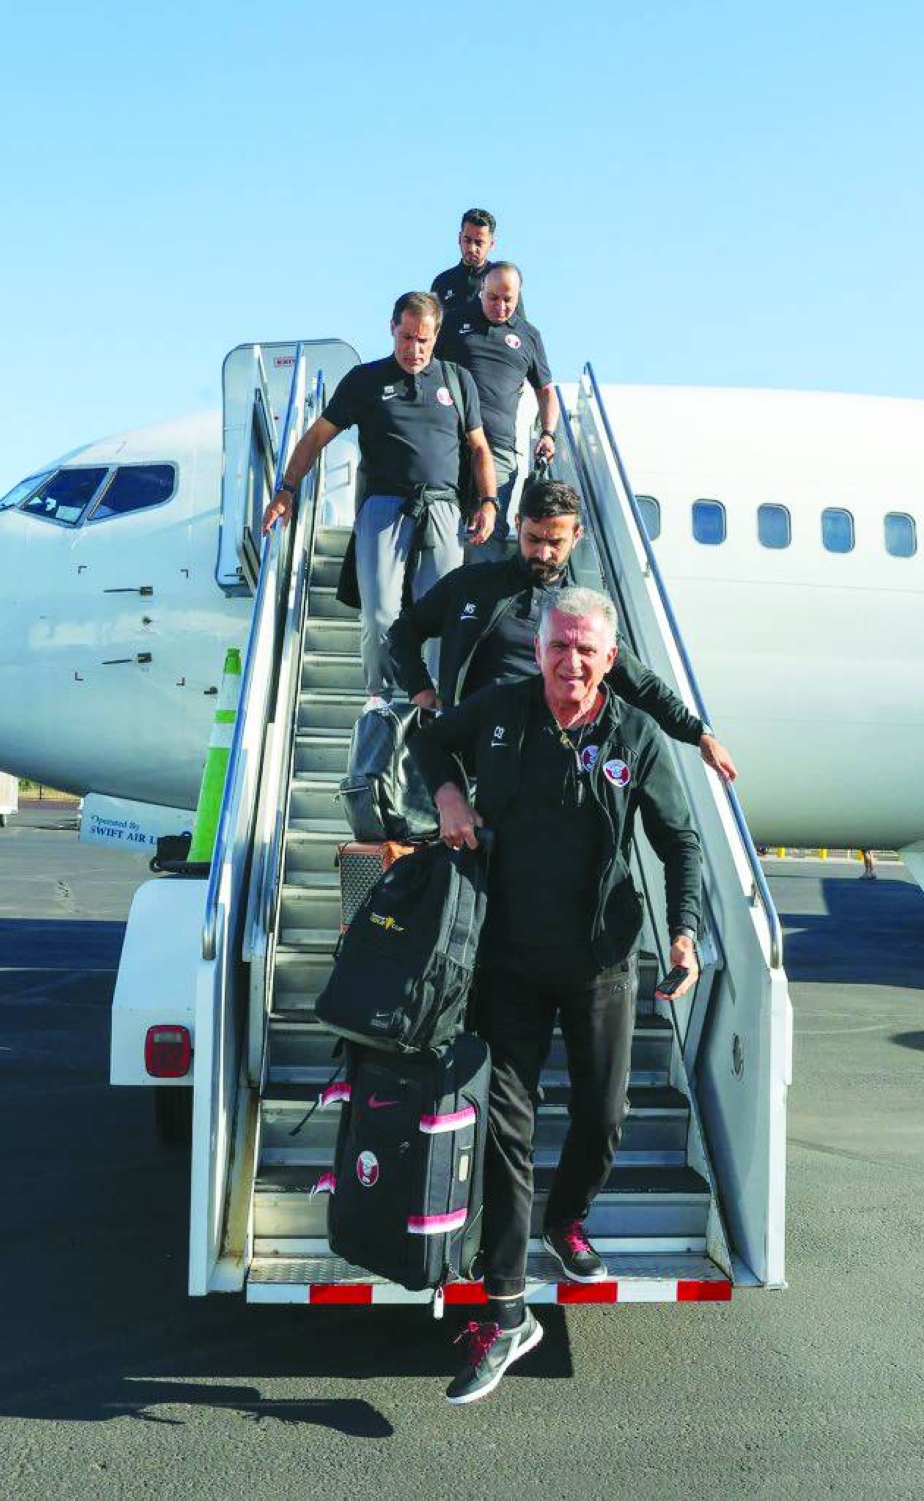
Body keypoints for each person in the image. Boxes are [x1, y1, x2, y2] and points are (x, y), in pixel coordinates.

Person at [411, 587, 703, 1404]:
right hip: (505, 959)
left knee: (603, 1116)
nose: (570, 662)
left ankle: (564, 1217)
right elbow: (433, 741)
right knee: (507, 1127)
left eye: (586, 650)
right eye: (558, 646)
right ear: (538, 649)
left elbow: (681, 844)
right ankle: (507, 1310)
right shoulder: (502, 711)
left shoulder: (635, 736)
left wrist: (682, 931)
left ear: (610, 659)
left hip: (602, 963)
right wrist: (448, 794)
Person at [388, 477, 739, 780]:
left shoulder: (581, 612)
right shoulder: (471, 586)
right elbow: (404, 631)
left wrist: (699, 735)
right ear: (517, 523)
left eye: (555, 543)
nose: (542, 552)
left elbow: (639, 683)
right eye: (532, 539)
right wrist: (420, 689)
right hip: (476, 760)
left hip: (551, 760)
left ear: (576, 535)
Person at [262, 291, 498, 704]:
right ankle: (379, 697)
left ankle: (437, 701)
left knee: (442, 615)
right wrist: (286, 489)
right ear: (392, 329)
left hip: (442, 506)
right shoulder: (365, 380)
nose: (414, 349)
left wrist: (489, 501)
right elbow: (317, 436)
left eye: (423, 340)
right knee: (378, 614)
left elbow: (480, 448)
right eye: (406, 337)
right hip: (384, 509)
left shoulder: (458, 381)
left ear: (437, 335)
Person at [437, 262, 556, 556]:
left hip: (498, 450)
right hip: (449, 442)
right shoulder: (452, 323)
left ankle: (478, 601)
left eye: (508, 300)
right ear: (481, 292)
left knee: (487, 533)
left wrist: (548, 433)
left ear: (518, 296)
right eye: (492, 298)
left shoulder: (529, 336)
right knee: (441, 527)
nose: (500, 306)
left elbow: (546, 391)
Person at [430, 208, 497, 314]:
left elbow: (520, 326)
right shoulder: (442, 282)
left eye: (479, 243)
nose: (471, 248)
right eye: (467, 240)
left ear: (491, 244)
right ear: (459, 238)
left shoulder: (500, 280)